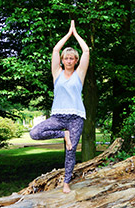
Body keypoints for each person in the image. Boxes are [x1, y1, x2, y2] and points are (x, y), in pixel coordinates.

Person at [30, 20, 90, 193]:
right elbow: (56, 50)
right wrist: (68, 34)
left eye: (72, 58)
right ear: (62, 60)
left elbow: (86, 50)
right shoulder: (57, 73)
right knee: (35, 133)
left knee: (70, 151)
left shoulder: (80, 73)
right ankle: (63, 134)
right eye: (66, 58)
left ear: (76, 61)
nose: (69, 60)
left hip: (76, 117)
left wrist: (76, 34)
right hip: (58, 116)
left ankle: (66, 182)